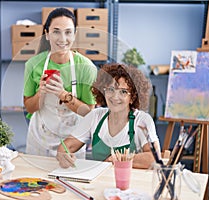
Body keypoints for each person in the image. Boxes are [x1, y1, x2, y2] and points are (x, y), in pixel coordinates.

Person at [56, 63, 161, 169]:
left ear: (133, 97)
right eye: (110, 90)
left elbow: (153, 157)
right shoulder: (95, 116)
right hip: (98, 182)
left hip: (128, 182)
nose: (115, 97)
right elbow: (65, 147)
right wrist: (63, 156)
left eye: (123, 92)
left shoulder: (142, 120)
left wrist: (115, 160)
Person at [23, 8, 97, 157]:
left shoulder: (87, 68)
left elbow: (88, 113)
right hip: (39, 140)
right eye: (56, 31)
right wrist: (40, 94)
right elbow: (30, 109)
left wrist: (63, 94)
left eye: (68, 32)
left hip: (71, 142)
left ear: (74, 35)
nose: (63, 39)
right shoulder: (33, 65)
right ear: (47, 34)